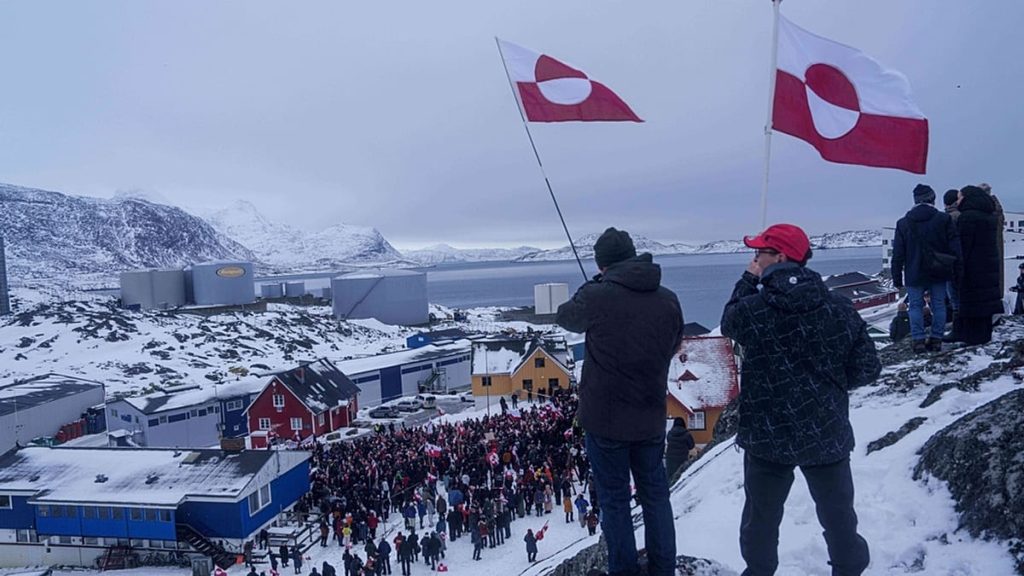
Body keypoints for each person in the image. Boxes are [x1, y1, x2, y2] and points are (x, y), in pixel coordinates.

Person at [721, 223, 882, 576]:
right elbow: (868, 367)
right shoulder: (839, 307)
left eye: (759, 253)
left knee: (761, 518)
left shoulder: (754, 309)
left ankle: (759, 572)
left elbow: (729, 322)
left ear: (779, 257)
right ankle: (849, 568)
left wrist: (748, 280)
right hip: (825, 427)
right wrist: (830, 389)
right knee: (838, 514)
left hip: (767, 431)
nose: (755, 258)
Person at [556, 227, 683, 576]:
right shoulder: (668, 299)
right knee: (655, 495)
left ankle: (624, 570)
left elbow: (565, 316)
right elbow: (675, 343)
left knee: (615, 501)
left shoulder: (597, 296)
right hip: (650, 415)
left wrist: (593, 286)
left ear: (603, 264)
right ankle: (663, 568)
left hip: (605, 420)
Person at [891, 184, 962, 353]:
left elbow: (898, 253)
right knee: (939, 305)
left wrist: (897, 278)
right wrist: (957, 270)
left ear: (915, 200)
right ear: (933, 199)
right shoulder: (943, 219)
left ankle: (918, 340)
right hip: (939, 269)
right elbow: (955, 248)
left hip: (914, 272)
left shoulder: (903, 223)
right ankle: (936, 339)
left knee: (915, 306)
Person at [956, 185, 1003, 345]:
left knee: (973, 302)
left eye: (959, 197)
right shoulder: (989, 215)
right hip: (988, 263)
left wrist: (958, 266)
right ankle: (984, 335)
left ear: (967, 197)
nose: (957, 201)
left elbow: (963, 245)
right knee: (985, 302)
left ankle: (971, 337)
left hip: (973, 266)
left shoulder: (967, 217)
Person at [664, 417, 696, 482]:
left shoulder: (670, 433)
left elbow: (668, 441)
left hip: (670, 458)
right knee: (681, 476)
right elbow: (691, 446)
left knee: (670, 476)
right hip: (682, 458)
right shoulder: (687, 434)